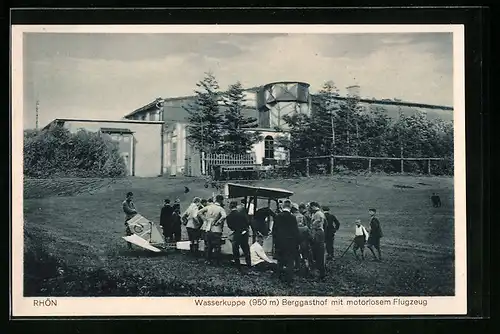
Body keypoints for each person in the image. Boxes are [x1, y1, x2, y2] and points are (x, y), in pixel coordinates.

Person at [272, 200, 299, 284]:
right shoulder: (293, 217)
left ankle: (279, 277)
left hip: (280, 242)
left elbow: (274, 231)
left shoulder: (277, 216)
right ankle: (289, 279)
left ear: (282, 207)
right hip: (290, 243)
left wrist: (275, 242)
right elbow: (295, 232)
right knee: (290, 261)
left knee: (280, 260)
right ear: (290, 207)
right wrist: (296, 243)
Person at [197, 194, 227, 265]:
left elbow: (199, 212)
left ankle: (207, 260)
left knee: (208, 245)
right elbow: (224, 216)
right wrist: (218, 222)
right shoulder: (220, 208)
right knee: (217, 246)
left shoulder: (209, 207)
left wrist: (204, 219)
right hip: (216, 229)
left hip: (208, 228)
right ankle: (217, 261)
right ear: (221, 200)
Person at [226, 201, 251, 271]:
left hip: (236, 233)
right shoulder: (242, 215)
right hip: (244, 233)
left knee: (235, 250)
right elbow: (248, 222)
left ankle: (238, 266)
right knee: (246, 250)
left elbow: (230, 226)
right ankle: (249, 265)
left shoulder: (228, 216)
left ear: (230, 207)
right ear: (236, 206)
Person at [292, 204, 312, 274]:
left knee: (296, 254)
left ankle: (297, 267)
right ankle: (307, 267)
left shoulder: (294, 226)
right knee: (305, 256)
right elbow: (310, 235)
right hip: (304, 243)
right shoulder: (305, 226)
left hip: (296, 242)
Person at [309, 202, 327, 280]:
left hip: (318, 233)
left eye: (311, 207)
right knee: (319, 253)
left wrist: (313, 228)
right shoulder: (321, 213)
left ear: (314, 207)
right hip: (321, 233)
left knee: (317, 253)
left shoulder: (317, 214)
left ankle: (319, 273)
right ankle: (320, 272)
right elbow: (326, 224)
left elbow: (315, 224)